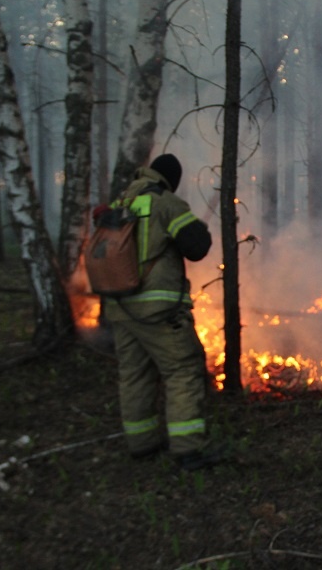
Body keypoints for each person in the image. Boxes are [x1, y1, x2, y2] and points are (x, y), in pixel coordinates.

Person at [105, 153, 223, 471]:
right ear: (171, 179)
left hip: (120, 307)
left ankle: (141, 443)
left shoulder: (121, 202)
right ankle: (188, 450)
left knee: (135, 374)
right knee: (183, 369)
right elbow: (196, 248)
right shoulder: (165, 203)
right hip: (157, 309)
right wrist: (199, 228)